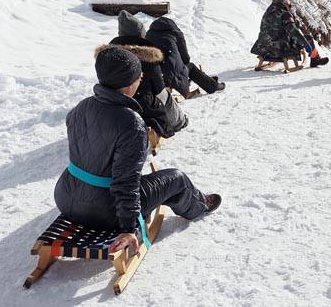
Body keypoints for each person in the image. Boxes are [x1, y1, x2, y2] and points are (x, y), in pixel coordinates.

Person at [54, 45, 221, 254]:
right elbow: (126, 183)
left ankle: (166, 198)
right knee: (176, 178)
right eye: (138, 77)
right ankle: (199, 205)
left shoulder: (80, 108)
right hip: (107, 212)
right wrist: (127, 227)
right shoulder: (130, 123)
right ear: (127, 84)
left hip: (65, 197)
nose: (141, 78)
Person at [110, 11, 187, 138]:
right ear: (140, 34)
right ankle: (181, 121)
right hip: (143, 108)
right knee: (164, 97)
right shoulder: (147, 54)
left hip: (115, 106)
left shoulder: (109, 55)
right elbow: (158, 89)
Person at [144, 16, 225, 99]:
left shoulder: (148, 34)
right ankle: (213, 86)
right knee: (191, 66)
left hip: (152, 75)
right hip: (170, 76)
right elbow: (185, 58)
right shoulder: (175, 33)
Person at [251, 0, 327, 72]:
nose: (289, 8)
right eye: (289, 6)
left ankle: (315, 57)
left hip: (263, 48)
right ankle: (315, 59)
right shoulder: (285, 14)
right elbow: (293, 31)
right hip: (280, 50)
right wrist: (305, 44)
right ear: (284, 4)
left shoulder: (266, 14)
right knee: (308, 38)